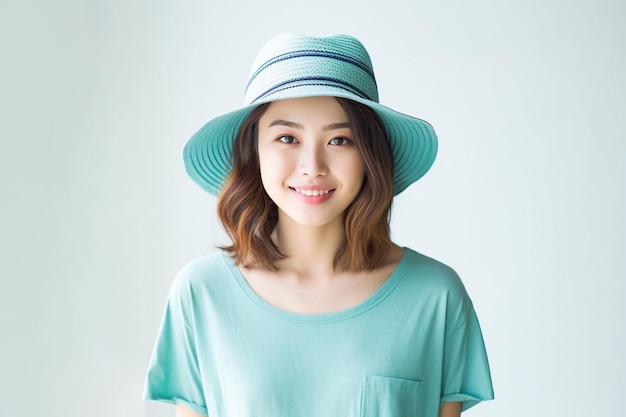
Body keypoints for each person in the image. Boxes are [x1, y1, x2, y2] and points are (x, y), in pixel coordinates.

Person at [144, 33, 494, 417]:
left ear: (370, 154)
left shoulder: (435, 297)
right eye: (287, 137)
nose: (312, 166)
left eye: (340, 140)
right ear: (253, 152)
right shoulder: (201, 295)